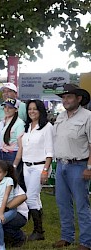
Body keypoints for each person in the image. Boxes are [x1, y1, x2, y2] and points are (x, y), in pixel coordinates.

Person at [52, 84, 91, 250]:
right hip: (61, 165)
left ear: (79, 98)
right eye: (64, 97)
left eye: (69, 97)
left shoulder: (88, 117)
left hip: (79, 165)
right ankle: (66, 236)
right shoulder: (60, 116)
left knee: (82, 204)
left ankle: (86, 241)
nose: (65, 100)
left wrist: (89, 167)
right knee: (62, 203)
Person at [13, 99, 54, 241]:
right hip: (27, 166)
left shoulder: (47, 127)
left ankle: (38, 230)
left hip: (40, 166)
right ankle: (38, 230)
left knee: (30, 197)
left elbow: (50, 151)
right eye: (29, 109)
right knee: (35, 197)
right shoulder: (27, 127)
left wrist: (45, 170)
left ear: (41, 110)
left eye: (35, 109)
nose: (32, 111)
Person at [0, 98, 25, 163]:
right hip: (1, 153)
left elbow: (21, 146)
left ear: (16, 109)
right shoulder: (2, 122)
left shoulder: (19, 123)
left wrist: (15, 163)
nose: (7, 110)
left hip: (12, 155)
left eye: (10, 108)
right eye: (5, 107)